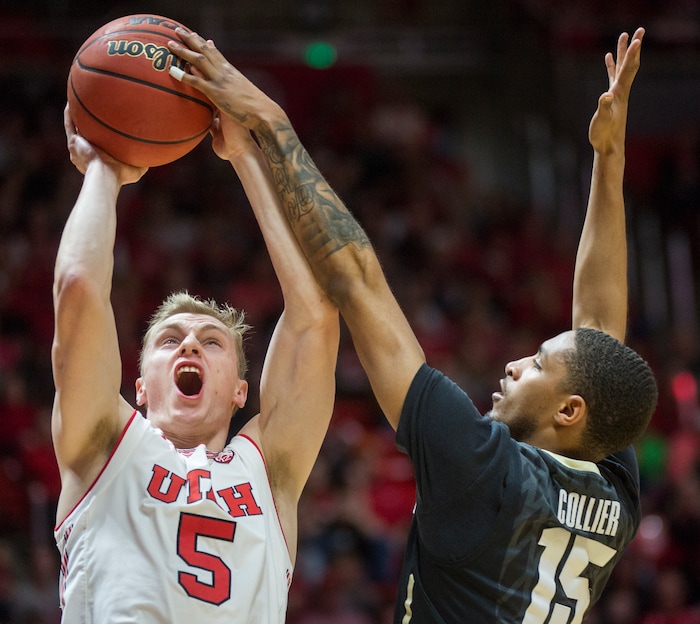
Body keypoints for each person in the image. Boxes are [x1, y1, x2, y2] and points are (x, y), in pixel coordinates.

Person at [169, 25, 658, 623]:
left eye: (535, 365)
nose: (514, 364)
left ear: (569, 411)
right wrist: (609, 158)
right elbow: (600, 332)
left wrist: (271, 121)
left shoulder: (483, 468)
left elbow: (356, 278)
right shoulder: (611, 487)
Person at [51, 97, 340, 620]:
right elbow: (77, 288)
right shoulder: (103, 445)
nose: (188, 345)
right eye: (168, 341)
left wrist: (246, 157)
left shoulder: (268, 469)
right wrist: (103, 168)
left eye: (212, 342)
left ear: (239, 391)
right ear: (138, 386)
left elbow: (315, 314)